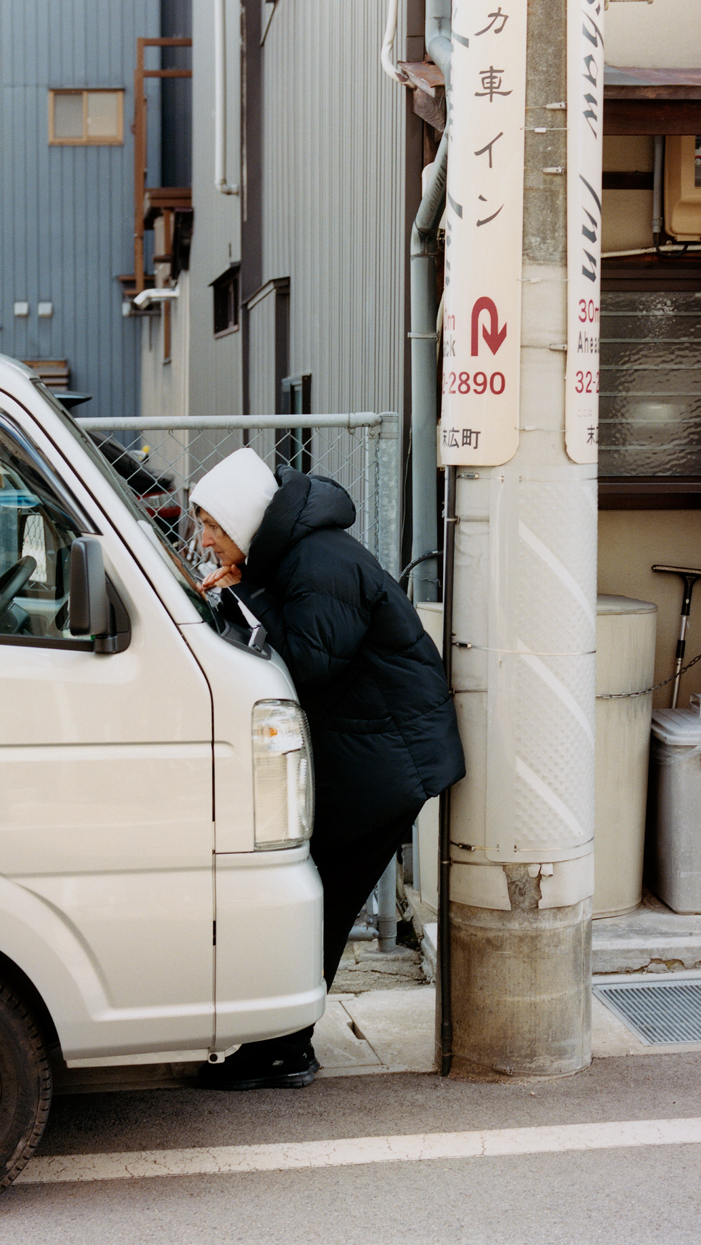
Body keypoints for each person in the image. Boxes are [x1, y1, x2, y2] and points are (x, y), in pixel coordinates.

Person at [189, 447, 465, 1090]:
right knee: (312, 897)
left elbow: (308, 665)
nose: (205, 541)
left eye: (213, 526)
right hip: (367, 751)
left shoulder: (320, 562)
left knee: (319, 903)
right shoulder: (297, 554)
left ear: (245, 519)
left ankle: (284, 1050)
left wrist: (244, 592)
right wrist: (244, 589)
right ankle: (280, 1041)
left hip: (387, 760)